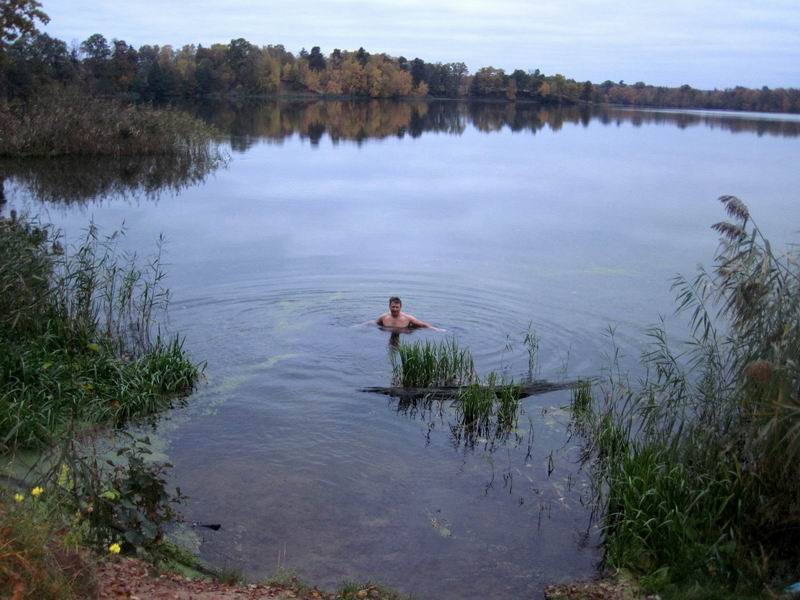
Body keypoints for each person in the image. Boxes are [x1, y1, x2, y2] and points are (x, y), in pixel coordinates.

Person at [376, 297, 444, 331]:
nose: (395, 309)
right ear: (389, 306)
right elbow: (374, 323)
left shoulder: (407, 318)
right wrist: (365, 325)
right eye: (393, 307)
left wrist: (437, 329)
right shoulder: (384, 317)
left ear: (400, 307)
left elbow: (423, 325)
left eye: (397, 307)